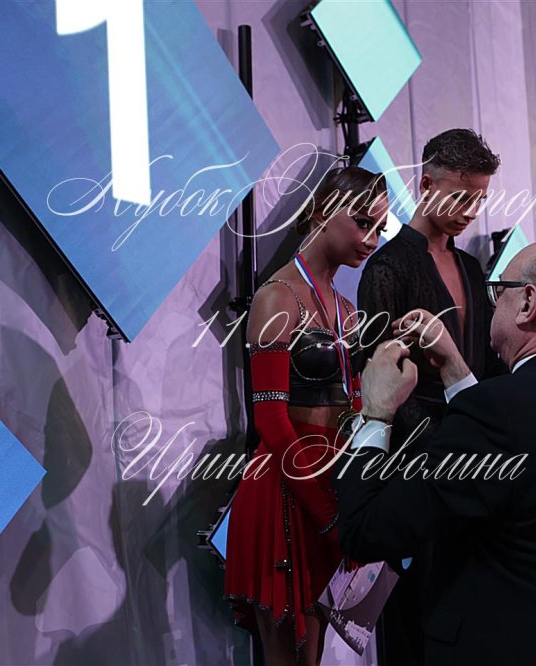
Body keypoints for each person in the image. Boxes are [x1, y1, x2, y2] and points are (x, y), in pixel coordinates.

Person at [335, 238, 536, 664]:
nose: (491, 304)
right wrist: (456, 371)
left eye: (498, 290)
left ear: (528, 302)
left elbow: (368, 529)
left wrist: (376, 413)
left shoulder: (498, 414)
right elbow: (520, 455)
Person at [224, 166, 390, 665]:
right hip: (285, 487)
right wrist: (326, 510)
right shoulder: (277, 297)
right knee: (290, 653)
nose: (372, 240)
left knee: (313, 652)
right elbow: (271, 421)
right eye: (363, 222)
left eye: (379, 228)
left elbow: (355, 408)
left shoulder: (348, 310)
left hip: (330, 487)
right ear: (321, 213)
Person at [356, 128, 507, 666]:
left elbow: (488, 368)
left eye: (480, 199)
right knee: (412, 630)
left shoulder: (472, 268)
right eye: (461, 197)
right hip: (413, 475)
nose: (471, 212)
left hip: (475, 470)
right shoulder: (387, 267)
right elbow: (377, 380)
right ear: (425, 184)